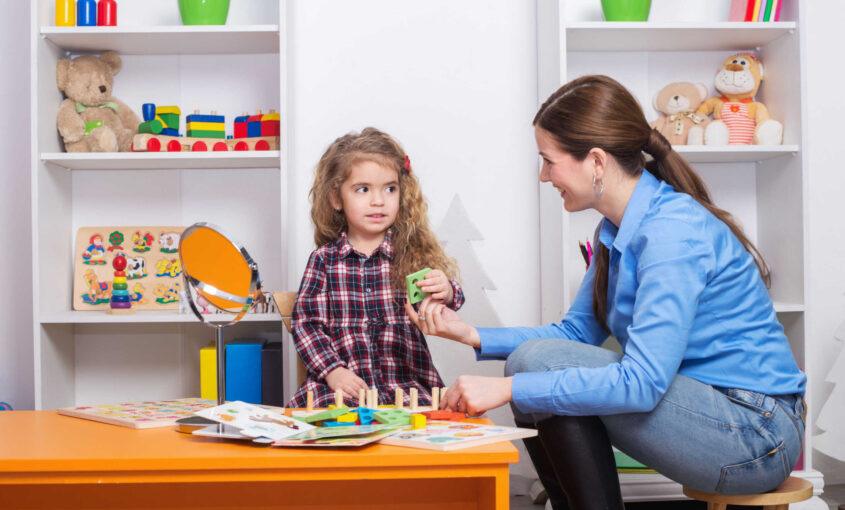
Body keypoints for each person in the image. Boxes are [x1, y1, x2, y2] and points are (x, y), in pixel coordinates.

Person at [405, 75, 806, 510]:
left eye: (548, 161)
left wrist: (511, 390)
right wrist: (470, 335)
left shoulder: (671, 233)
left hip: (755, 434)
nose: (543, 176)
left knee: (533, 368)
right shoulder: (614, 230)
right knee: (534, 363)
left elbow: (642, 384)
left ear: (595, 161)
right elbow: (576, 333)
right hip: (713, 416)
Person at [288, 127, 464, 409]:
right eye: (363, 189)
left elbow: (441, 305)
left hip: (403, 386)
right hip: (344, 387)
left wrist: (447, 290)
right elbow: (306, 324)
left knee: (431, 424)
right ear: (336, 199)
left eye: (390, 189)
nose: (378, 200)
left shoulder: (411, 255)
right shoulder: (324, 260)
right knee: (325, 419)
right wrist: (333, 371)